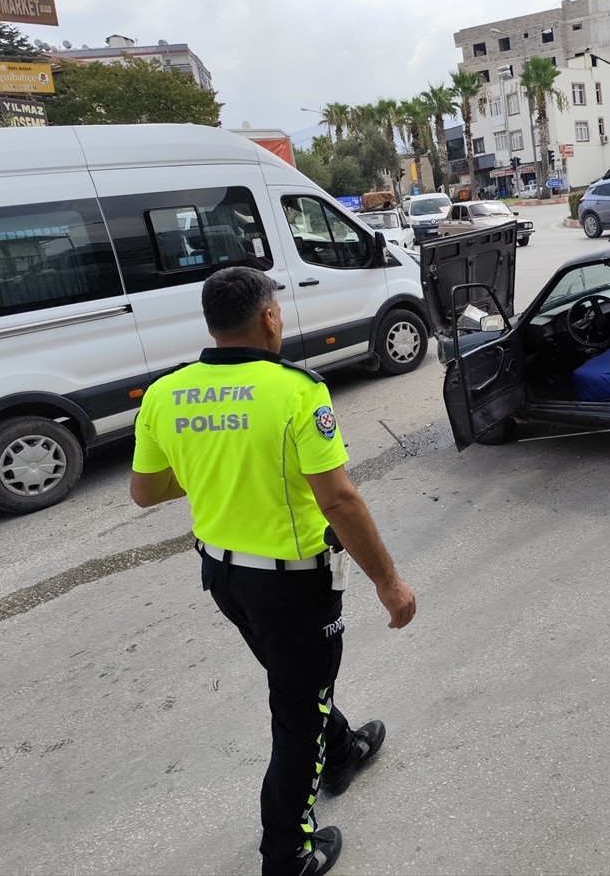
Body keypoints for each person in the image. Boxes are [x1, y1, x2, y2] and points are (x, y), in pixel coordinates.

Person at [130, 266, 417, 875]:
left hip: (224, 577)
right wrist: (389, 583)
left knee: (296, 682)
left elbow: (145, 491)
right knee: (296, 711)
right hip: (292, 584)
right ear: (267, 318)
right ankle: (287, 853)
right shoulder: (295, 390)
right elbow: (340, 501)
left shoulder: (165, 392)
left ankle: (341, 752)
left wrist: (213, 468)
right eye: (278, 312)